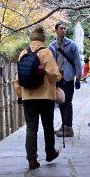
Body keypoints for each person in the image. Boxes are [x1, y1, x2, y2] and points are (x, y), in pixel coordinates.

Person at [16, 25, 61, 169]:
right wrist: (59, 77)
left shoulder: (23, 53)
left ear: (31, 38)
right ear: (43, 38)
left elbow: (17, 79)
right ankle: (50, 152)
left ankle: (32, 159)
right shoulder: (46, 52)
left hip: (28, 97)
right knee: (48, 126)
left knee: (31, 128)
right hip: (46, 96)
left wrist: (20, 94)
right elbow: (53, 74)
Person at [49, 21, 82, 138]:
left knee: (67, 102)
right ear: (56, 30)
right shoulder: (52, 46)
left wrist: (78, 77)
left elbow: (77, 61)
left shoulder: (72, 45)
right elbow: (50, 63)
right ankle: (64, 125)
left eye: (65, 28)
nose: (63, 30)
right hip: (58, 78)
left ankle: (69, 127)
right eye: (61, 28)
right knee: (61, 102)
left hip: (68, 77)